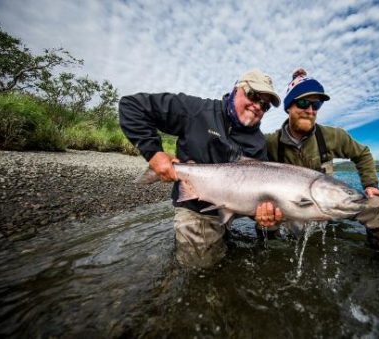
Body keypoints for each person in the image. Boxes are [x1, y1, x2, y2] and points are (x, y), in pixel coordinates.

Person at [119, 69, 281, 267]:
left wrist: (263, 216)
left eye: (265, 106)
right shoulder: (196, 111)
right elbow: (131, 106)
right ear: (236, 89)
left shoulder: (258, 143)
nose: (257, 106)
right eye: (253, 96)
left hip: (230, 211)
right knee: (199, 269)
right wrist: (153, 153)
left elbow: (254, 196)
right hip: (195, 208)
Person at [256, 68, 379, 250]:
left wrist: (371, 186)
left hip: (331, 205)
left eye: (316, 105)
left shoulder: (333, 136)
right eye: (303, 103)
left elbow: (363, 153)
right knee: (265, 225)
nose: (310, 110)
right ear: (289, 107)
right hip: (287, 209)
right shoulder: (269, 142)